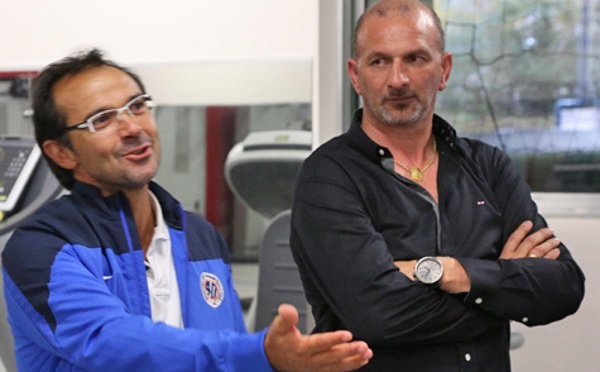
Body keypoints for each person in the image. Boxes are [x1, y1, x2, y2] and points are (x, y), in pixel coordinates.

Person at [1, 48, 373, 372]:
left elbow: (229, 359)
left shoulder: (200, 236)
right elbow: (110, 344)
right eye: (102, 119)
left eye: (137, 106)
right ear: (60, 152)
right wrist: (260, 353)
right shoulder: (41, 249)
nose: (132, 126)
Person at [289, 0, 585, 371]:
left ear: (443, 69)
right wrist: (500, 288)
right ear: (355, 75)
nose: (398, 79)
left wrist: (447, 272)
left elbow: (565, 286)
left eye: (415, 58)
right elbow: (379, 315)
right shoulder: (328, 178)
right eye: (379, 61)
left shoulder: (488, 167)